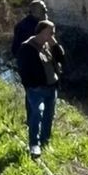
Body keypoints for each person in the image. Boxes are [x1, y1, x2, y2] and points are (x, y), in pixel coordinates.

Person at [16, 20, 66, 158]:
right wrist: (31, 86)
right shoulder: (27, 48)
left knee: (49, 116)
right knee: (37, 114)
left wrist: (55, 44)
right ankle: (34, 144)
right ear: (41, 32)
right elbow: (23, 70)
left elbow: (62, 59)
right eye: (50, 32)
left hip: (51, 87)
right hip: (36, 89)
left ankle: (45, 141)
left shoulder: (48, 45)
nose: (52, 35)